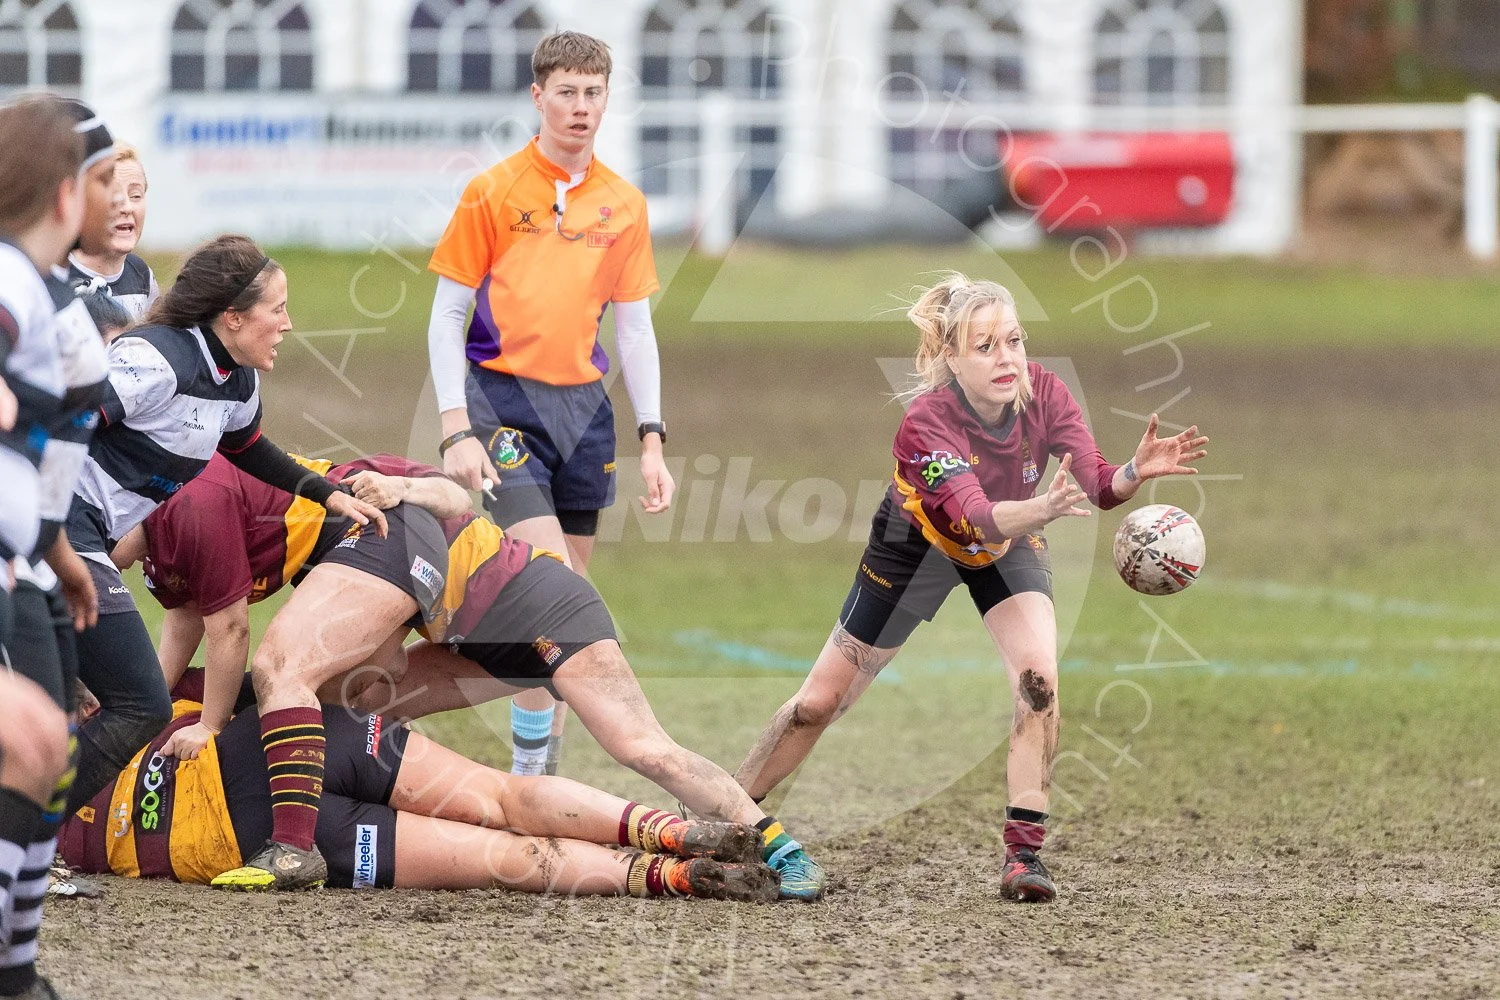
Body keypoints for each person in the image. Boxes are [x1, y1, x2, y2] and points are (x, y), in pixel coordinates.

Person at [116, 455, 827, 901]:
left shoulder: (356, 492)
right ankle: (391, 818)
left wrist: (401, 484)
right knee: (350, 707)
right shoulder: (303, 539)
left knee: (643, 748)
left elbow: (459, 502)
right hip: (467, 643)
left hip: (544, 609)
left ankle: (772, 842)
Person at [733, 274, 1209, 903]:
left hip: (1008, 546)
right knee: (817, 705)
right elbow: (974, 517)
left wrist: (1131, 472)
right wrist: (1039, 510)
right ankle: (725, 816)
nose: (1007, 358)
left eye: (1013, 340)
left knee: (1039, 679)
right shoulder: (926, 423)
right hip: (916, 545)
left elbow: (1094, 484)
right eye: (985, 347)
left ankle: (1024, 857)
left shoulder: (1047, 393)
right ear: (950, 359)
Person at [63, 234, 386, 826]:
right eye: (278, 309)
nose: (289, 324)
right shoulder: (158, 359)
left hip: (81, 534)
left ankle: (27, 845)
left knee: (82, 696)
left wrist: (327, 494)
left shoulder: (235, 380)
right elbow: (63, 418)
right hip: (60, 526)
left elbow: (246, 446)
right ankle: (26, 834)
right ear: (232, 317)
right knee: (136, 702)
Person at [427, 30, 673, 777]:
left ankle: (540, 772)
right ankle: (531, 778)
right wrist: (455, 429)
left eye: (593, 92)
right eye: (565, 92)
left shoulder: (624, 205)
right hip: (502, 407)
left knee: (565, 601)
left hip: (585, 416)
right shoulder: (492, 192)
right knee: (554, 583)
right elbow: (445, 317)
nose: (580, 107)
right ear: (538, 97)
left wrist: (654, 439)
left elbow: (634, 328)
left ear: (607, 99)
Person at [56, 671, 778, 901]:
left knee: (507, 860)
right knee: (504, 797)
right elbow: (244, 678)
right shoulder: (115, 704)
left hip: (248, 834)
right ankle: (671, 831)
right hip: (289, 744)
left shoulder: (45, 832)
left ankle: (675, 875)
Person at [107, 451, 474, 761]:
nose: (96, 565)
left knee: (285, 678)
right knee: (328, 707)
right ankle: (373, 802)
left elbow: (231, 628)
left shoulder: (192, 503)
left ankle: (292, 840)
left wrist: (209, 726)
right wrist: (145, 705)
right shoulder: (157, 540)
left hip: (384, 534)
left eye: (94, 543)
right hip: (367, 548)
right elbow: (186, 618)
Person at [0, 93, 104, 1000]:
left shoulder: (38, 285)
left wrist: (56, 549)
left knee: (47, 746)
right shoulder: (9, 280)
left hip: (26, 555)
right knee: (31, 744)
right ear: (67, 194)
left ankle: (21, 970)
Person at [66, 143, 156, 323]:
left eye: (136, 195)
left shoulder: (143, 276)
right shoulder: (58, 276)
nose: (127, 208)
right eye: (113, 195)